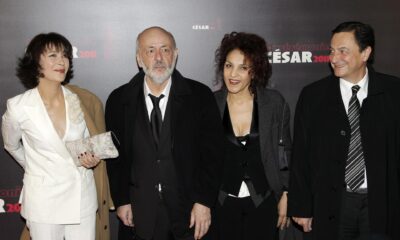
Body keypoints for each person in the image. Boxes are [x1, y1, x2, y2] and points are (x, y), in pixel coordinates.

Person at [105, 26, 224, 240]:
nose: (159, 57)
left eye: (165, 50)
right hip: (140, 215)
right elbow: (115, 160)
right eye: (150, 50)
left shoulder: (200, 97)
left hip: (189, 214)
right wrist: (121, 200)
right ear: (139, 59)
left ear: (175, 55)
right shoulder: (119, 100)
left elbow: (213, 156)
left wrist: (204, 201)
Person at [288, 21, 400, 240]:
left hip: (381, 205)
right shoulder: (313, 96)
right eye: (331, 51)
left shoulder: (394, 93)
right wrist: (301, 206)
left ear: (366, 52)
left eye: (343, 51)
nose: (334, 58)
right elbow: (301, 155)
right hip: (332, 205)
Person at [1, 32, 113, 240]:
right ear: (35, 61)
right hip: (44, 200)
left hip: (82, 198)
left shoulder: (81, 100)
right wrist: (35, 168)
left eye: (65, 56)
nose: (61, 61)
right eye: (53, 55)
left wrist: (91, 159)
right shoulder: (18, 107)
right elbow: (11, 145)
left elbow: (87, 144)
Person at [210, 32, 292, 240]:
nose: (233, 74)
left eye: (242, 67)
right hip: (221, 201)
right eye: (229, 65)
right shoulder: (210, 104)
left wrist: (286, 193)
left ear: (254, 71)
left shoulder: (274, 103)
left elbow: (285, 154)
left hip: (264, 200)